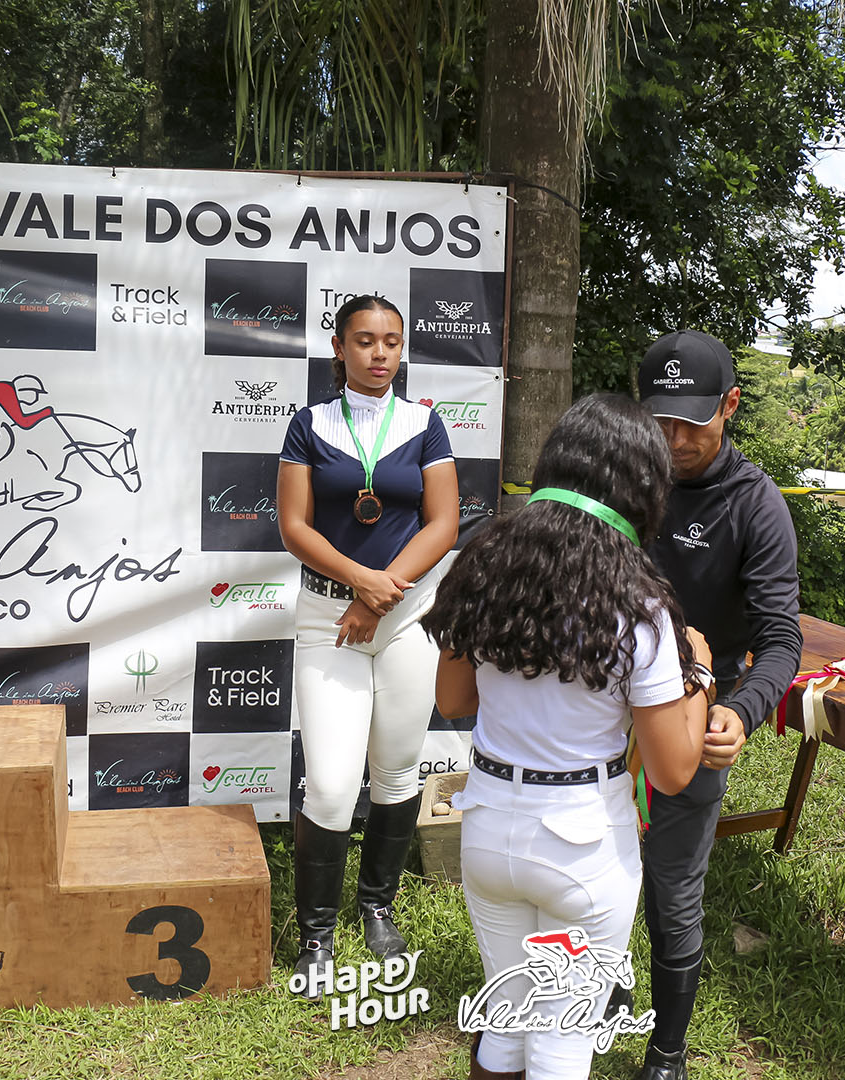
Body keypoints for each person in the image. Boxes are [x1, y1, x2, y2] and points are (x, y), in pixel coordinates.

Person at [424, 393, 714, 1080]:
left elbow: (453, 700)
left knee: (505, 1025)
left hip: (488, 827)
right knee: (561, 1044)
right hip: (584, 845)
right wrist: (699, 674)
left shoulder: (483, 564)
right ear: (644, 487)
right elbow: (673, 770)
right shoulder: (641, 606)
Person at [632, 330, 803, 1080]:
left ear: (730, 406)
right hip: (607, 702)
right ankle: (600, 993)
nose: (674, 441)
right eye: (660, 422)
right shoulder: (626, 479)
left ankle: (666, 1052)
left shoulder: (755, 503)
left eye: (692, 423)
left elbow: (781, 638)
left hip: (700, 703)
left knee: (673, 880)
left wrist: (743, 709)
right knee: (600, 861)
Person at [277, 294, 459, 992]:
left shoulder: (425, 423)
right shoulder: (309, 424)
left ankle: (377, 907)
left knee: (397, 769)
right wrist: (359, 585)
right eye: (364, 341)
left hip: (409, 617)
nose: (380, 354)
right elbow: (294, 527)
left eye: (391, 342)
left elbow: (443, 524)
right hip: (331, 619)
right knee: (329, 785)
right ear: (339, 347)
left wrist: (380, 598)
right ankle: (316, 933)